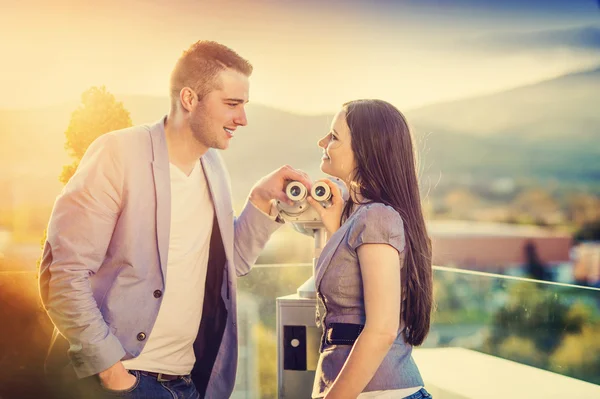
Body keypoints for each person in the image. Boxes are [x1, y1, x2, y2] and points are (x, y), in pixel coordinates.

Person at [38, 40, 311, 399]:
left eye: (244, 105)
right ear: (189, 99)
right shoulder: (118, 153)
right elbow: (63, 274)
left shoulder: (214, 168)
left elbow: (232, 263)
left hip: (185, 384)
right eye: (232, 104)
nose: (242, 118)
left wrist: (260, 199)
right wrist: (113, 374)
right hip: (121, 382)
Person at [306, 99, 433, 398]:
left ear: (366, 149)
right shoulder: (364, 217)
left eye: (334, 136)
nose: (322, 142)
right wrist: (336, 230)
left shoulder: (377, 217)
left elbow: (382, 330)